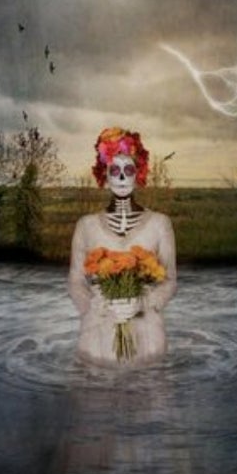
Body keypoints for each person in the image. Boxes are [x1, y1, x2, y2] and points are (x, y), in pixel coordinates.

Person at [67, 126, 177, 366]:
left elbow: (169, 280)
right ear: (104, 176)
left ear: (138, 174)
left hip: (147, 335)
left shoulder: (160, 224)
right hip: (97, 333)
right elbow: (75, 280)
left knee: (147, 391)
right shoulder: (86, 226)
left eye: (128, 170)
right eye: (114, 170)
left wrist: (144, 302)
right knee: (97, 394)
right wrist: (93, 306)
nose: (121, 177)